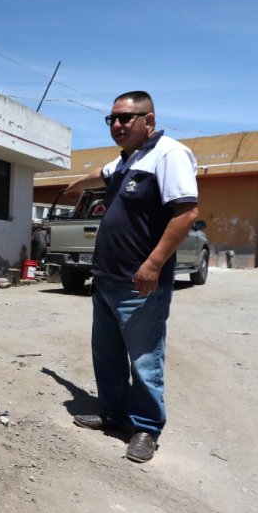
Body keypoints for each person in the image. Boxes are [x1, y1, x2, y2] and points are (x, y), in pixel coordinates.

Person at [63, 91, 198, 463]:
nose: (118, 125)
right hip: (107, 277)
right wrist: (79, 183)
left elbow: (186, 213)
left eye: (126, 117)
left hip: (140, 282)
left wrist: (153, 263)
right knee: (106, 354)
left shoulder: (168, 154)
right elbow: (101, 174)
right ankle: (113, 412)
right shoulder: (127, 159)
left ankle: (146, 428)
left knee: (144, 359)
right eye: (113, 119)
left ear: (148, 120)